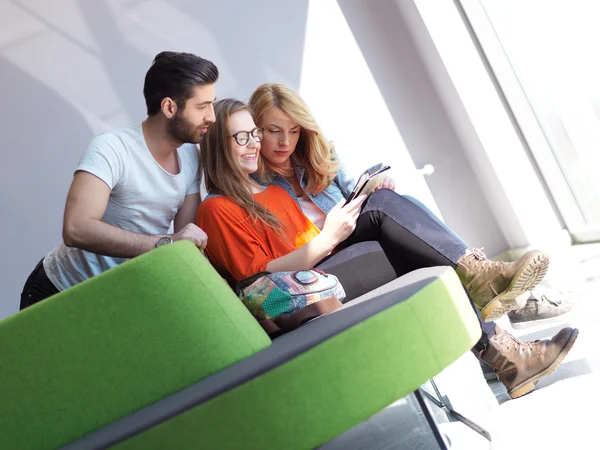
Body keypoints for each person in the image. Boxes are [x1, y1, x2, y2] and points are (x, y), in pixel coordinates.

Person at [195, 98, 578, 399]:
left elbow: (311, 247)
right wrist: (328, 237)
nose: (254, 144)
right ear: (217, 144)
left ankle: (506, 349)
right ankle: (491, 307)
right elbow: (260, 280)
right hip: (290, 301)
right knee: (405, 235)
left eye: (253, 135)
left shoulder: (273, 194)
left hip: (319, 277)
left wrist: (343, 221)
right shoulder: (215, 208)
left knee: (404, 230)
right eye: (241, 136)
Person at [248, 83, 581, 328]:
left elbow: (358, 190)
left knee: (395, 209)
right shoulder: (256, 186)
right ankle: (497, 287)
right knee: (390, 216)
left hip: (358, 238)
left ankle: (504, 344)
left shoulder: (320, 155)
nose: (285, 142)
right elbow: (274, 261)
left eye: (293, 131)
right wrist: (332, 231)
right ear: (255, 130)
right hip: (325, 259)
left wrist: (377, 186)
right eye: (274, 131)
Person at [20, 51, 217, 309]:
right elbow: (76, 228)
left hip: (118, 295)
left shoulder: (190, 155)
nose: (211, 116)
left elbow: (187, 236)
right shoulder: (111, 148)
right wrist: (164, 243)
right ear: (169, 107)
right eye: (202, 106)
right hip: (59, 290)